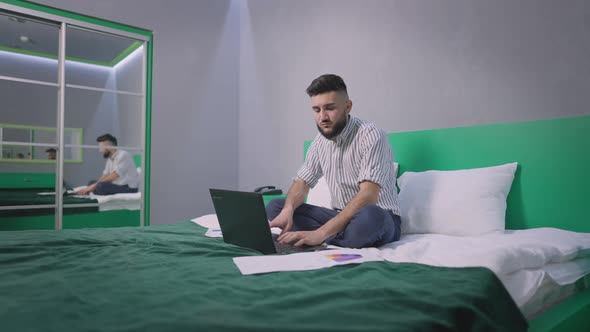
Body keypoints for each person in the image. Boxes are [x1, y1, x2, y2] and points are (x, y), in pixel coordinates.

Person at [266, 74, 401, 249]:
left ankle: (322, 237)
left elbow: (369, 196)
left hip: (380, 218)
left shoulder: (371, 135)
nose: (323, 117)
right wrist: (288, 210)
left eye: (330, 108)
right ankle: (339, 237)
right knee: (276, 206)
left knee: (370, 217)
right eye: (316, 110)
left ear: (348, 106)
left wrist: (321, 233)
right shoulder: (319, 142)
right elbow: (302, 182)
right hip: (338, 217)